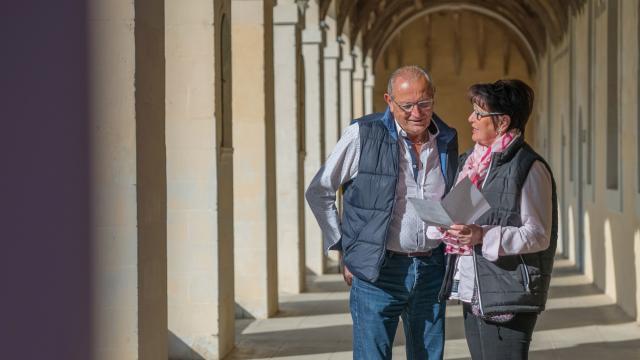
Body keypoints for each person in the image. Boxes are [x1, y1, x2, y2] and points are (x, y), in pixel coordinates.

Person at [306, 65, 458, 360]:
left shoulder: (447, 139)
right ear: (389, 101)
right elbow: (320, 190)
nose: (417, 112)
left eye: (424, 103)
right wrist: (344, 247)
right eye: (407, 105)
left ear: (434, 98)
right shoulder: (363, 134)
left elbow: (446, 199)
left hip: (431, 271)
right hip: (379, 272)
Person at [435, 79, 557, 360]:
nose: (470, 119)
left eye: (479, 113)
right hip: (473, 287)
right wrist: (446, 224)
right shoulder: (473, 163)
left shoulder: (529, 167)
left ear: (502, 122)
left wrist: (482, 235)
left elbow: (538, 234)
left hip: (508, 292)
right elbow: (461, 215)